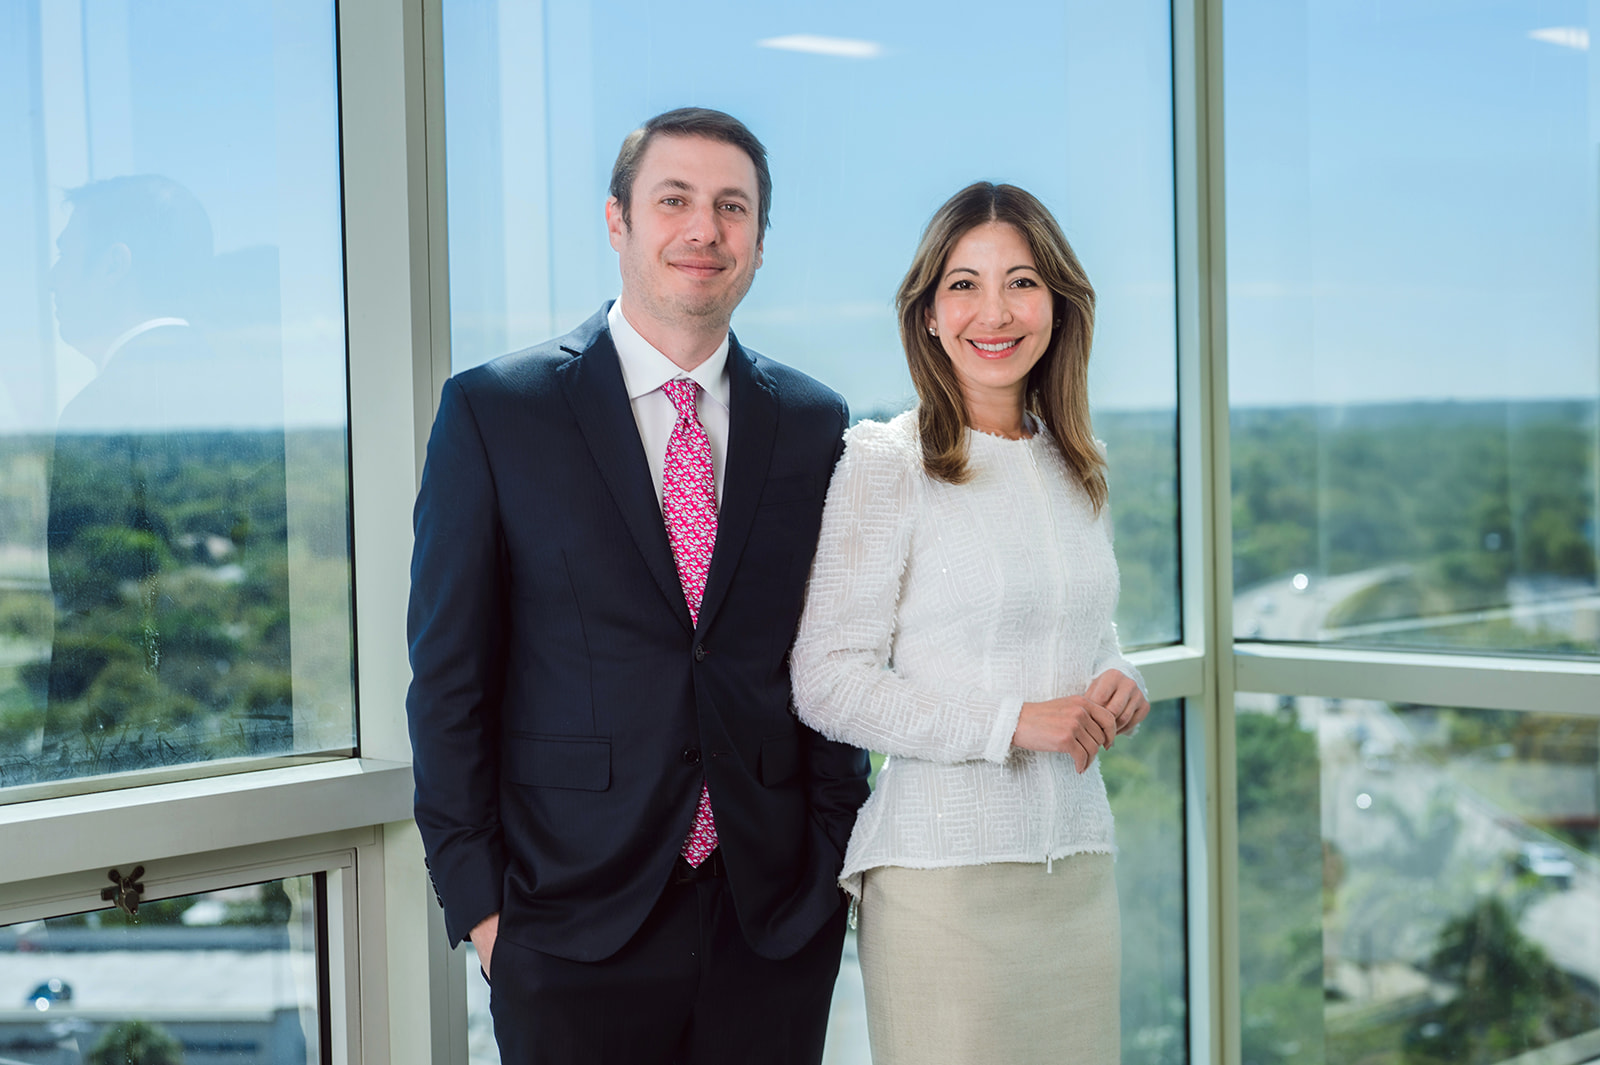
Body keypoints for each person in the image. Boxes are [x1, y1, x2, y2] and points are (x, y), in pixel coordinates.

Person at [405, 107, 870, 1065]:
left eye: (732, 207)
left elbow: (832, 659)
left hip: (772, 926)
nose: (704, 229)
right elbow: (449, 681)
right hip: (565, 928)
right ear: (617, 220)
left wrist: (830, 868)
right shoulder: (497, 413)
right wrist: (483, 911)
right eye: (674, 200)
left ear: (759, 242)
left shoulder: (817, 424)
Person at [790, 181, 1151, 1065]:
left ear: (1059, 307)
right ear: (927, 316)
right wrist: (1012, 722)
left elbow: (1087, 631)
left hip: (1077, 867)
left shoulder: (1079, 464)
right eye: (964, 284)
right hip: (942, 885)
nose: (995, 310)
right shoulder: (887, 462)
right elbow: (825, 679)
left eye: (1022, 281)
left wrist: (1122, 676)